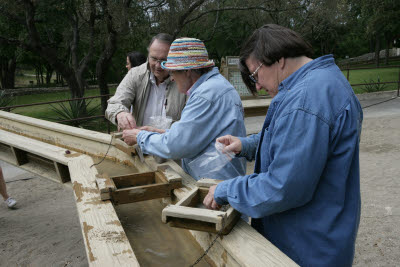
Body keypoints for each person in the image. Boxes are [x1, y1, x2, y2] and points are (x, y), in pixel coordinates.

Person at [203, 24, 363, 266]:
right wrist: (245, 145)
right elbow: (292, 141)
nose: (256, 85)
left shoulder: (306, 100)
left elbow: (282, 187)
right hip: (323, 237)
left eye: (255, 75)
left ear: (278, 60)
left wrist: (226, 189)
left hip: (306, 248)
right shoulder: (324, 81)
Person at [122, 37, 246, 180]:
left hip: (216, 183)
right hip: (221, 179)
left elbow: (177, 146)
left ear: (187, 71)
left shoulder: (204, 95)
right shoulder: (215, 86)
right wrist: (161, 133)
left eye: (173, 72)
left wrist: (139, 137)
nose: (172, 78)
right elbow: (197, 135)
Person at [106, 33, 187, 129]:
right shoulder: (135, 74)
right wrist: (120, 114)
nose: (158, 65)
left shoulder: (184, 79)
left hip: (172, 142)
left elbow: (191, 125)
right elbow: (115, 103)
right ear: (148, 55)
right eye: (154, 58)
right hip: (139, 142)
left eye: (164, 60)